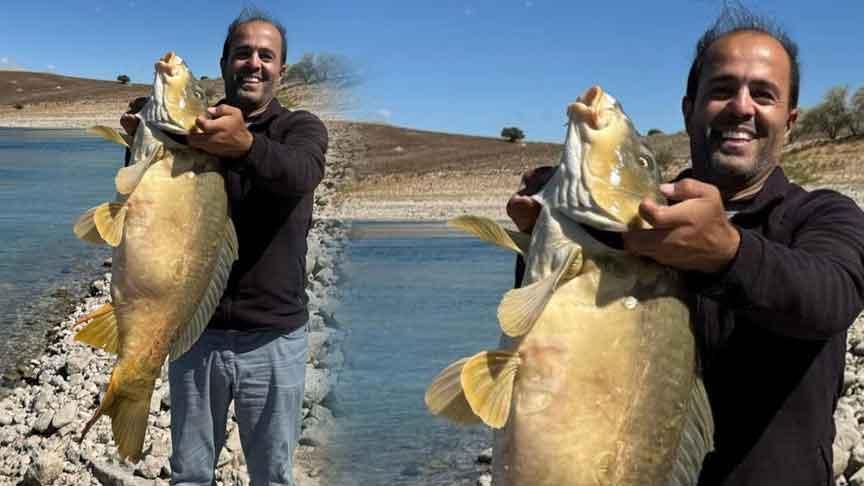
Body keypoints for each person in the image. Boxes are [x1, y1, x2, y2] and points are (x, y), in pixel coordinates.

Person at [507, 10, 864, 486]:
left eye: (763, 94)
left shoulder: (824, 215)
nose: (741, 106)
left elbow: (830, 298)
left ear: (791, 121)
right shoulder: (639, 218)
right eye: (721, 90)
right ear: (688, 109)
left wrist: (729, 254)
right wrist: (535, 247)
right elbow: (545, 345)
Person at [121, 9, 327, 486]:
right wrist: (139, 142)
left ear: (281, 69)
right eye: (242, 53)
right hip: (196, 335)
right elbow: (145, 202)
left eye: (265, 55)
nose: (253, 63)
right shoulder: (197, 125)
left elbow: (302, 173)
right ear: (225, 63)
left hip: (274, 338)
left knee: (272, 476)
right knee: (190, 474)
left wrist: (246, 145)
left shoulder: (301, 129)